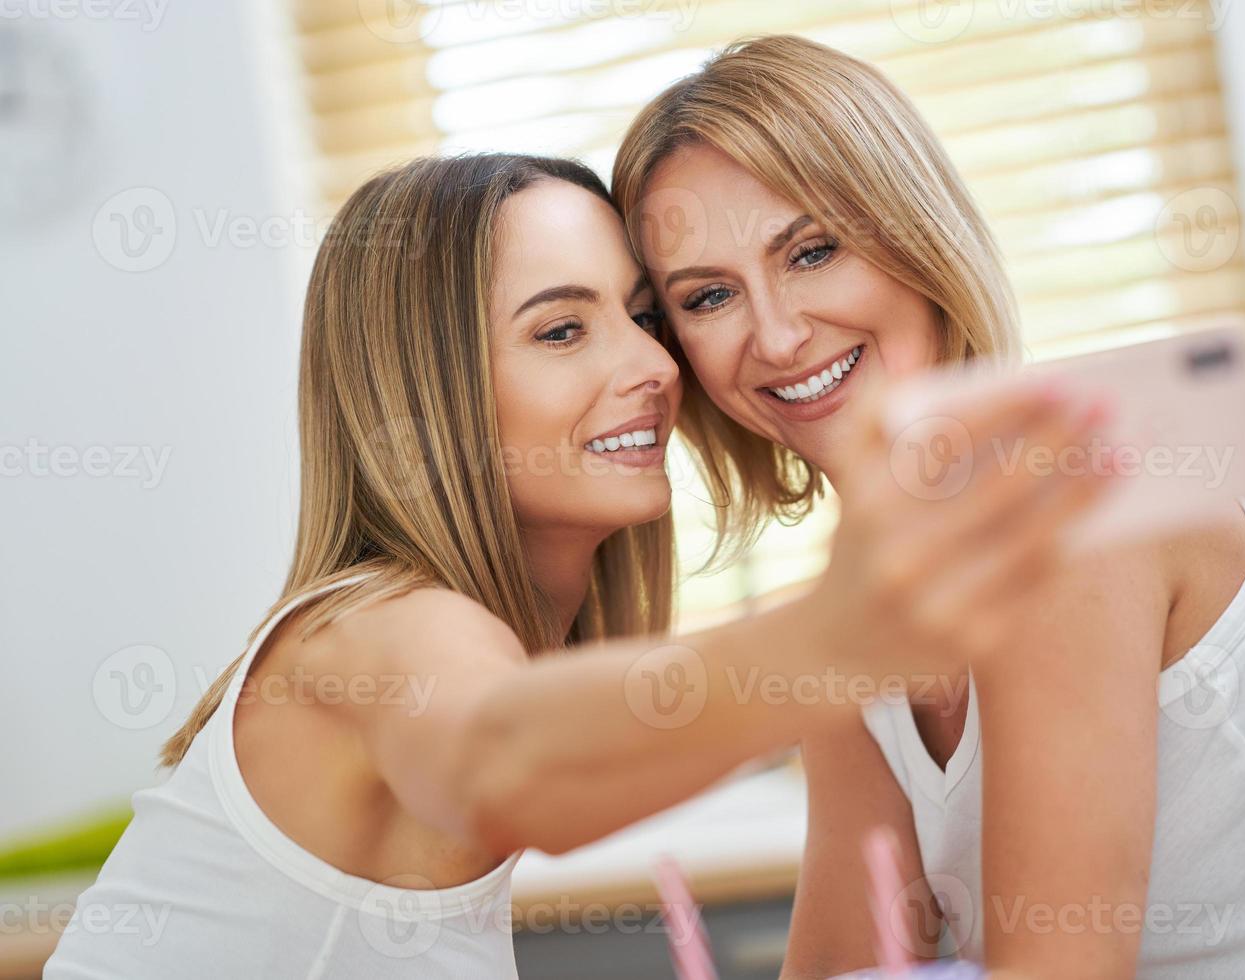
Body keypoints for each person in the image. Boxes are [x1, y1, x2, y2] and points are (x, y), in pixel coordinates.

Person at [45, 152, 1109, 978]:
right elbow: (501, 765)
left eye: (646, 317)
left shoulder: (470, 633)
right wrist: (836, 635)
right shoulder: (375, 628)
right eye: (562, 330)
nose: (652, 366)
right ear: (431, 392)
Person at [613, 34, 1245, 979]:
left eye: (813, 250)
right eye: (708, 297)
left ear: (916, 237)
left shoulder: (1075, 506)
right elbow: (851, 962)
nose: (774, 335)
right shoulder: (852, 620)